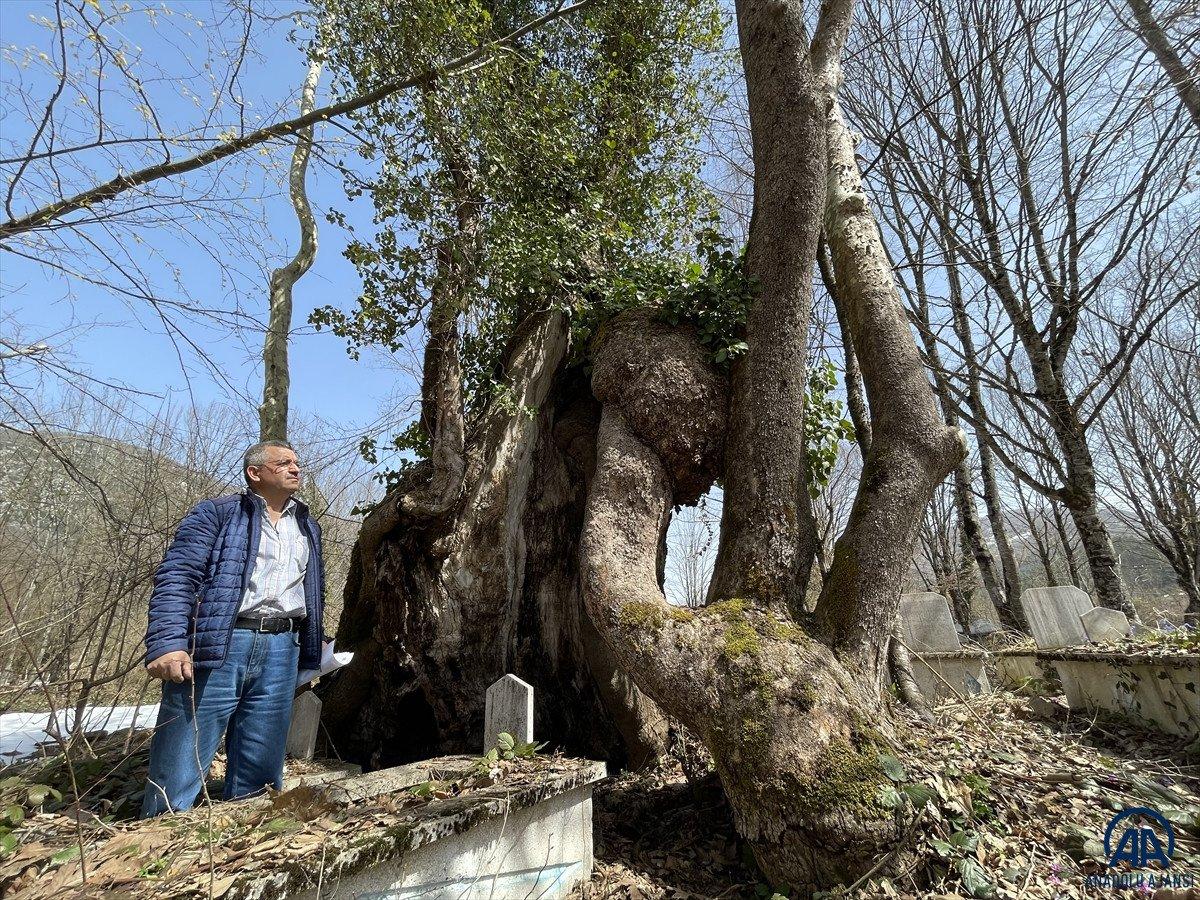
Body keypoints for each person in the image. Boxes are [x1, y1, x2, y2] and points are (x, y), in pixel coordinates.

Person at [140, 440, 326, 817]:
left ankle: (245, 838)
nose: (295, 468)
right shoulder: (219, 514)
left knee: (262, 764)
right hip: (222, 643)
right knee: (183, 756)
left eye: (296, 463)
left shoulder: (307, 525)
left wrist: (313, 643)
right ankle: (158, 844)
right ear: (254, 473)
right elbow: (178, 577)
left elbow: (309, 590)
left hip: (282, 647)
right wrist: (167, 643)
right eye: (284, 463)